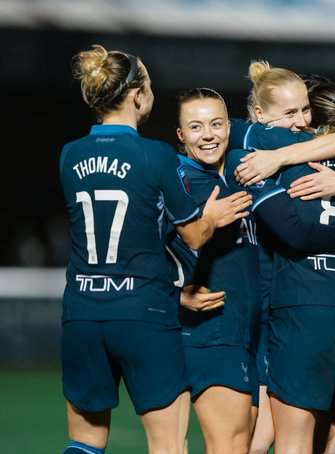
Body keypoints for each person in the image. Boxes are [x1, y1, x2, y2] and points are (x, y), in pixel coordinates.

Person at [167, 87, 335, 454]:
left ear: (231, 126)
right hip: (213, 333)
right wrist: (172, 293)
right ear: (180, 135)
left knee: (299, 438)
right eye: (196, 126)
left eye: (216, 124)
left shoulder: (241, 164)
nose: (208, 134)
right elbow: (134, 244)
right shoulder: (178, 178)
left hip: (258, 329)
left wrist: (276, 158)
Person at [59, 45, 248, 454]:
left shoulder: (69, 155)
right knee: (167, 444)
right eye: (149, 82)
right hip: (143, 313)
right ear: (137, 95)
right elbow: (195, 237)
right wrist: (212, 216)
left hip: (81, 314)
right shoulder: (156, 155)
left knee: (84, 441)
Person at [225, 61, 335, 454]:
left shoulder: (257, 157)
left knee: (282, 437)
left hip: (302, 307)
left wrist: (284, 160)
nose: (301, 122)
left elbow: (295, 234)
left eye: (305, 111)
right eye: (290, 112)